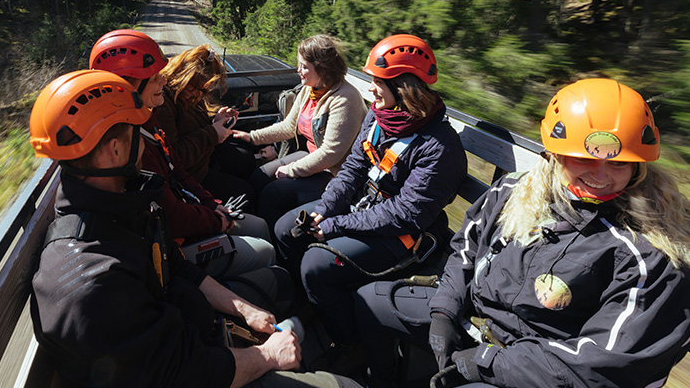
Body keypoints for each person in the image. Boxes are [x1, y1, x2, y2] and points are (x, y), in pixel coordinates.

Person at [28, 69, 362, 388]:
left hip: (192, 333)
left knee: (276, 282)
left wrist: (244, 310)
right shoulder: (91, 281)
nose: (145, 145)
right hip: (196, 369)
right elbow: (182, 375)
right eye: (137, 134)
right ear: (115, 150)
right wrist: (267, 356)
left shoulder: (121, 207)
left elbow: (174, 265)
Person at [354, 78, 690, 388]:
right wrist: (445, 307)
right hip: (477, 317)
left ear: (639, 165)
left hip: (539, 366)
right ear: (555, 154)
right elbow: (467, 248)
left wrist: (487, 362)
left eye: (618, 164)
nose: (600, 176)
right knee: (370, 302)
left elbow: (604, 364)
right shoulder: (519, 191)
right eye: (581, 159)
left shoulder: (650, 254)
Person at [274, 34, 468, 374]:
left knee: (316, 264)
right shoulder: (381, 117)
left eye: (379, 82)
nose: (372, 90)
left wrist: (334, 225)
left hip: (405, 237)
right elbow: (352, 169)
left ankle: (352, 346)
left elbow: (405, 215)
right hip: (367, 213)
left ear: (405, 87)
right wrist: (326, 209)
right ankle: (319, 306)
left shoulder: (440, 148)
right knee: (287, 230)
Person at [89, 29, 276, 281]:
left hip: (188, 209)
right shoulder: (129, 145)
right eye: (155, 78)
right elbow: (172, 215)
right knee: (265, 250)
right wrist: (215, 220)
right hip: (175, 245)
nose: (163, 81)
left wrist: (212, 205)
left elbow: (177, 170)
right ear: (128, 85)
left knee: (259, 223)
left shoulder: (148, 120)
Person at [233, 35, 367, 227]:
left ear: (322, 68)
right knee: (258, 177)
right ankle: (257, 231)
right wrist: (252, 137)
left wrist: (292, 170)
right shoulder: (309, 89)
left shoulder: (345, 99)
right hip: (311, 156)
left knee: (273, 194)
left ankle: (275, 244)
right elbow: (289, 127)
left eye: (304, 66)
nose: (299, 71)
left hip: (334, 171)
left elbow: (331, 153)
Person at [157, 44, 257, 209]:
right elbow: (174, 157)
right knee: (245, 193)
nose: (199, 95)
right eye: (195, 88)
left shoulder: (189, 93)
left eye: (204, 91)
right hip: (191, 175)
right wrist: (212, 133)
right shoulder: (163, 103)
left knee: (245, 159)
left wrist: (217, 121)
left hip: (203, 159)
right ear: (182, 75)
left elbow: (194, 128)